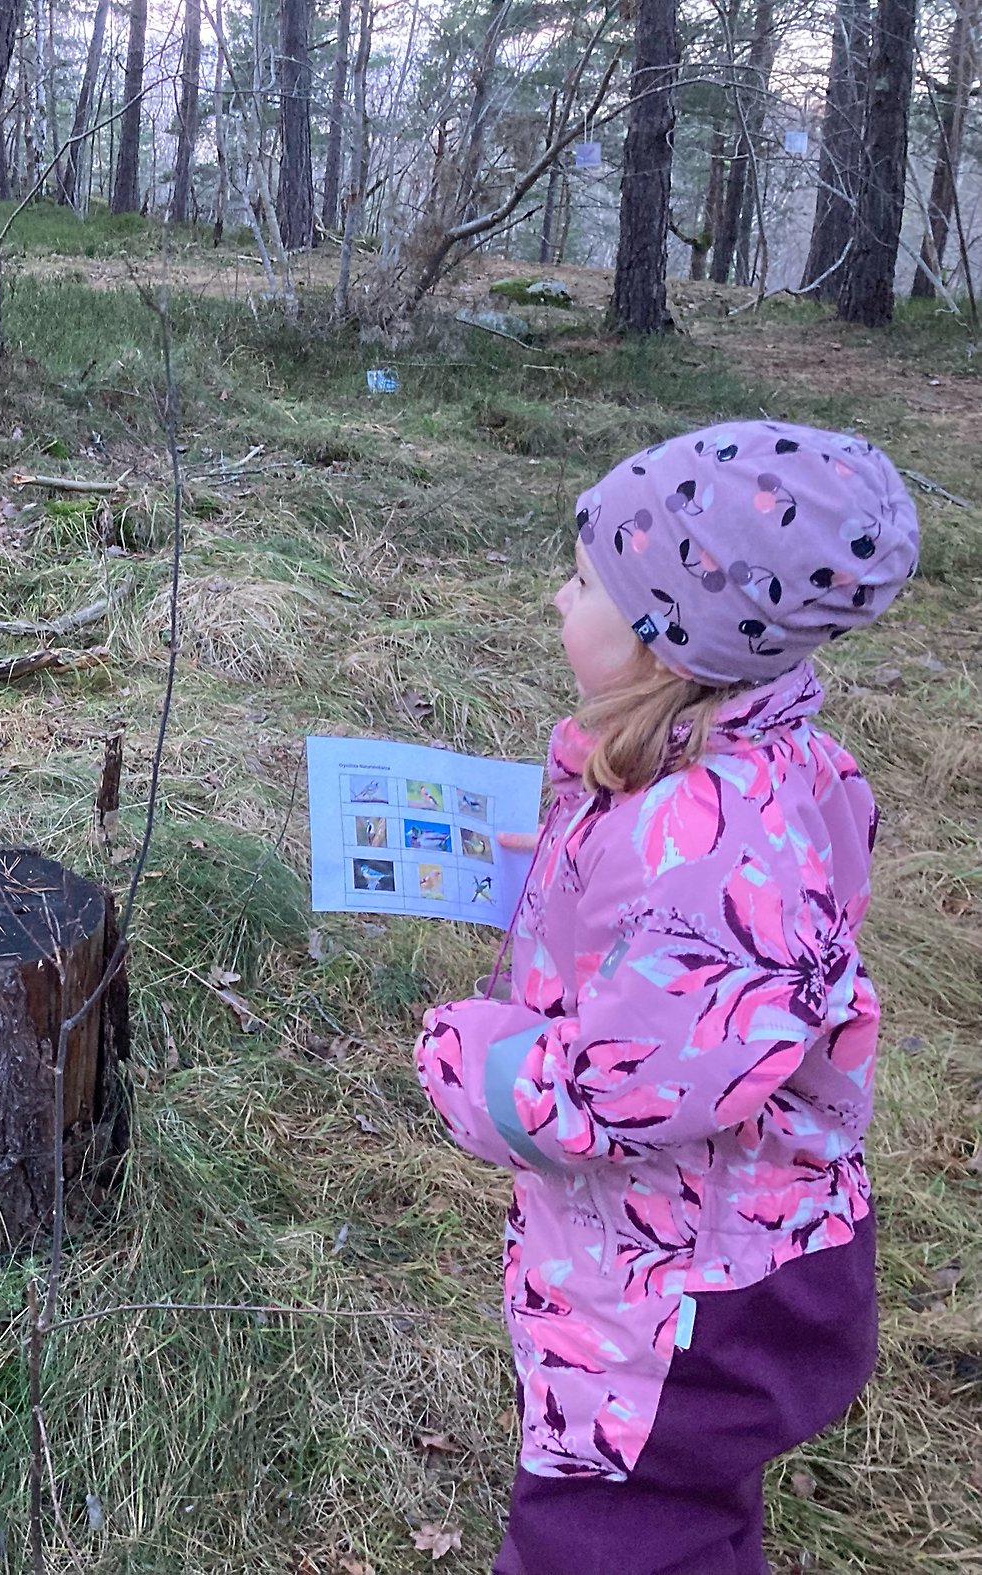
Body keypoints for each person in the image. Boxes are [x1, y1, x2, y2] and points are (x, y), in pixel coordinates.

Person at [412, 422, 919, 1575]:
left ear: (666, 639)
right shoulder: (757, 761)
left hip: (678, 1301)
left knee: (605, 1536)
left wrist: (471, 1061)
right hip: (723, 1245)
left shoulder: (698, 843)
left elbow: (633, 1083)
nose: (557, 599)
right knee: (687, 1517)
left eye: (587, 583)